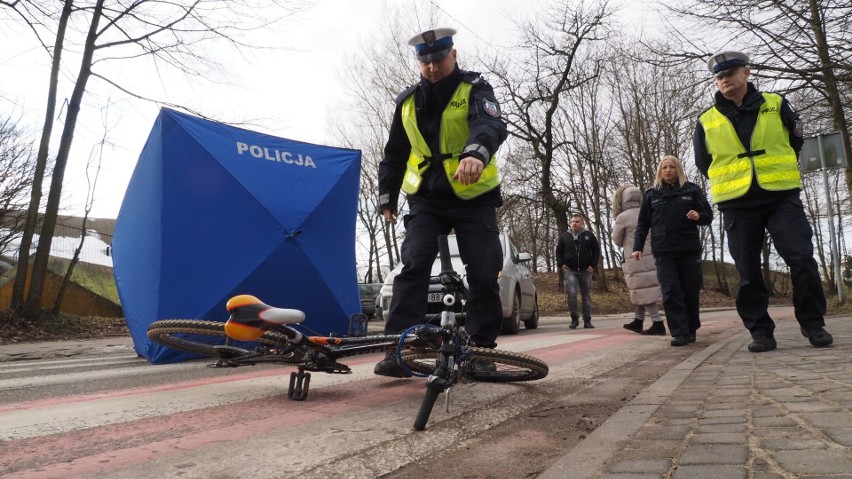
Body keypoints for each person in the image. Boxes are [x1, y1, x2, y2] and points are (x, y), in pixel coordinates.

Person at [374, 27, 508, 377]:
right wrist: (386, 195)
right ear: (419, 62)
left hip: (472, 195)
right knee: (414, 267)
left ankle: (480, 350)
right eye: (425, 61)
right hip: (426, 198)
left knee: (482, 271)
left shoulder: (475, 88)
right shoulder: (406, 102)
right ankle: (401, 349)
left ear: (454, 54)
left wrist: (476, 152)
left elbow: (489, 125)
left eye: (438, 59)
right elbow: (394, 153)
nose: (432, 67)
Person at [694, 50, 833, 352]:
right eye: (719, 77)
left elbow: (796, 140)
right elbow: (704, 162)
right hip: (736, 203)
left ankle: (813, 323)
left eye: (730, 73)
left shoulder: (776, 104)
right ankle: (760, 332)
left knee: (802, 259)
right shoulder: (706, 120)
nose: (725, 79)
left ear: (746, 73)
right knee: (747, 270)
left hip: (781, 196)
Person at [633, 155, 713, 347]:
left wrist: (698, 215)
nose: (668, 170)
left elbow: (708, 216)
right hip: (663, 250)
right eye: (664, 167)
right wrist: (637, 247)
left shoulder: (691, 190)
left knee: (690, 290)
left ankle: (691, 328)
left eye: (672, 167)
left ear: (678, 170)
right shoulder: (652, 194)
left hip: (688, 248)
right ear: (660, 171)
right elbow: (643, 223)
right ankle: (679, 332)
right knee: (670, 291)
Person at [611, 185, 665, 336]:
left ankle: (657, 322)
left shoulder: (623, 217)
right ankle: (638, 320)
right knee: (641, 288)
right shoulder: (647, 211)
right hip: (652, 254)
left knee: (642, 289)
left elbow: (617, 239)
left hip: (634, 255)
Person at [556, 213, 600, 329]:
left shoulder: (589, 236)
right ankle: (574, 319)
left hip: (586, 270)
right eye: (572, 222)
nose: (574, 223)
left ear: (582, 223)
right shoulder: (564, 236)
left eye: (577, 222)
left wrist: (593, 265)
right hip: (571, 270)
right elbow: (558, 252)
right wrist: (562, 264)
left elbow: (596, 251)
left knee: (586, 295)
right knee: (572, 294)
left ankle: (587, 320)